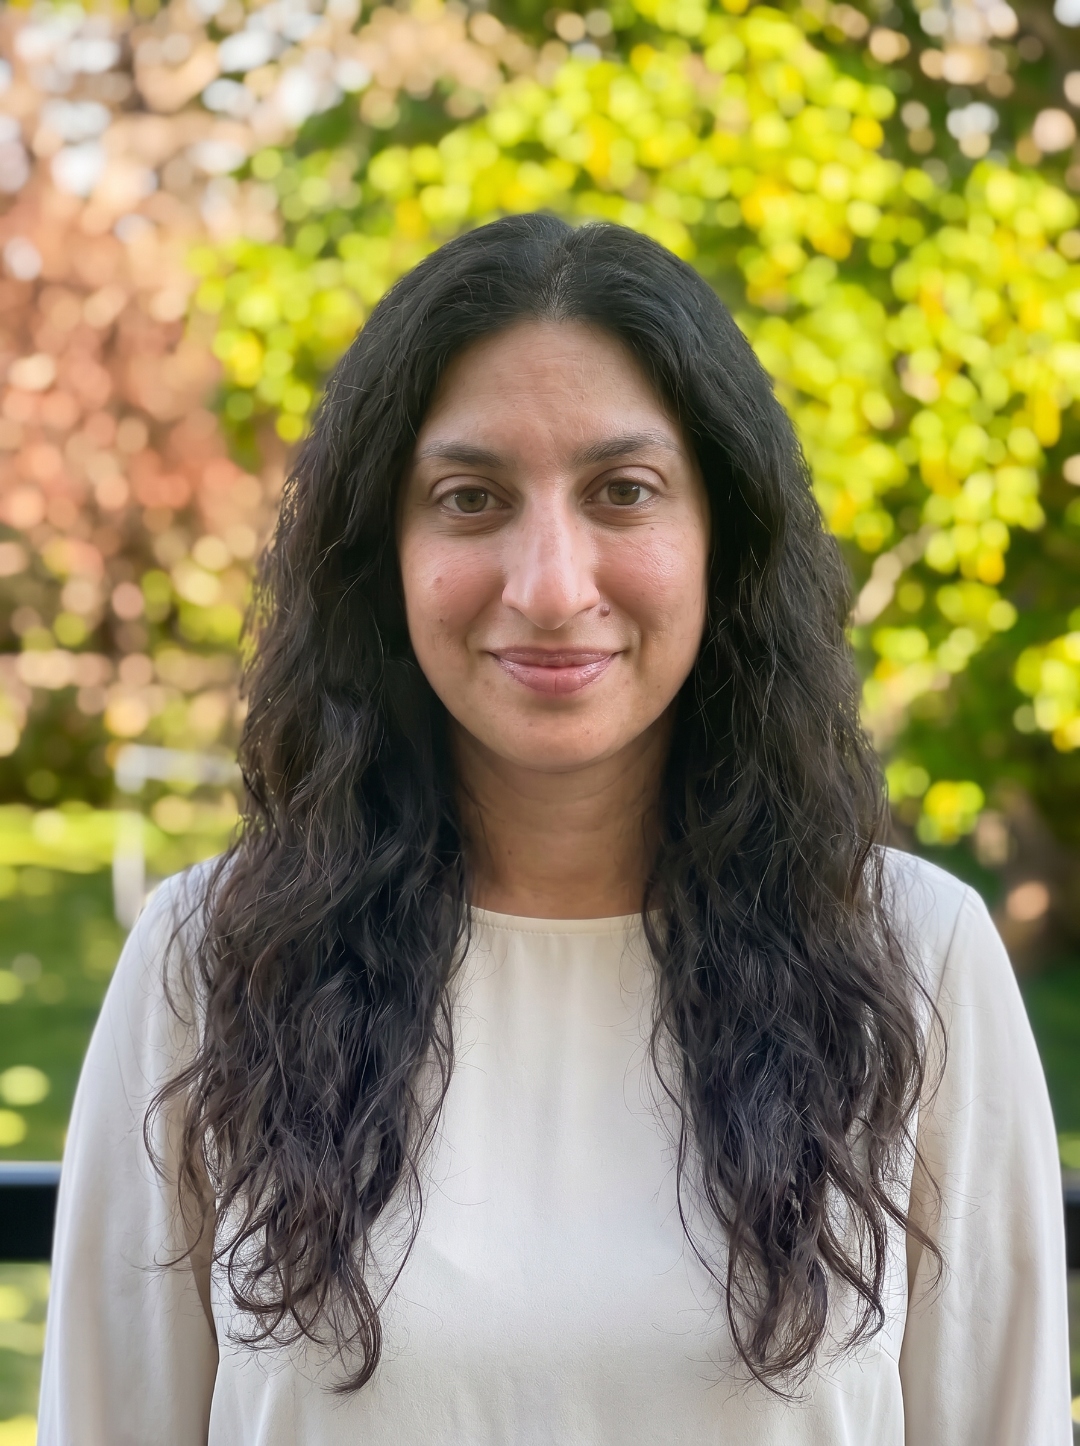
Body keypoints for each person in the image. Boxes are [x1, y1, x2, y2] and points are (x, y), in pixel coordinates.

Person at [38, 215, 1071, 1445]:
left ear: (723, 538)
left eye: (622, 492)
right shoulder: (207, 962)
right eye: (470, 498)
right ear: (386, 552)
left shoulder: (918, 959)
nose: (549, 586)